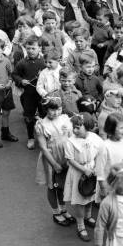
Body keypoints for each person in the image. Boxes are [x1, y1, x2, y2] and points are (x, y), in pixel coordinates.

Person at [34, 95, 74, 226]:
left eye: (59, 109)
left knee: (61, 185)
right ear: (46, 109)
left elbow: (70, 136)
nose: (56, 112)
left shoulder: (65, 119)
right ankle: (56, 212)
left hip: (64, 155)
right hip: (51, 158)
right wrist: (54, 164)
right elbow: (43, 148)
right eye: (52, 109)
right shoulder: (41, 125)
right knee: (52, 186)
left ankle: (63, 209)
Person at [64, 112, 102, 241]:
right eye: (74, 127)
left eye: (78, 127)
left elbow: (99, 154)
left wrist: (96, 167)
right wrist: (84, 170)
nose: (75, 130)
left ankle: (88, 216)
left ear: (87, 126)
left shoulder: (95, 138)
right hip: (79, 172)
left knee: (90, 195)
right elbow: (70, 160)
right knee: (80, 200)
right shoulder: (70, 142)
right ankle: (80, 225)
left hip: (92, 170)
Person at [12, 35, 45, 149]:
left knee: (45, 115)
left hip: (42, 95)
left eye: (33, 48)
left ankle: (46, 136)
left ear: (39, 48)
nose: (30, 51)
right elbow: (14, 74)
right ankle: (31, 138)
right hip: (28, 95)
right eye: (28, 48)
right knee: (29, 117)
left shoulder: (44, 62)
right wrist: (21, 81)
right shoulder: (22, 63)